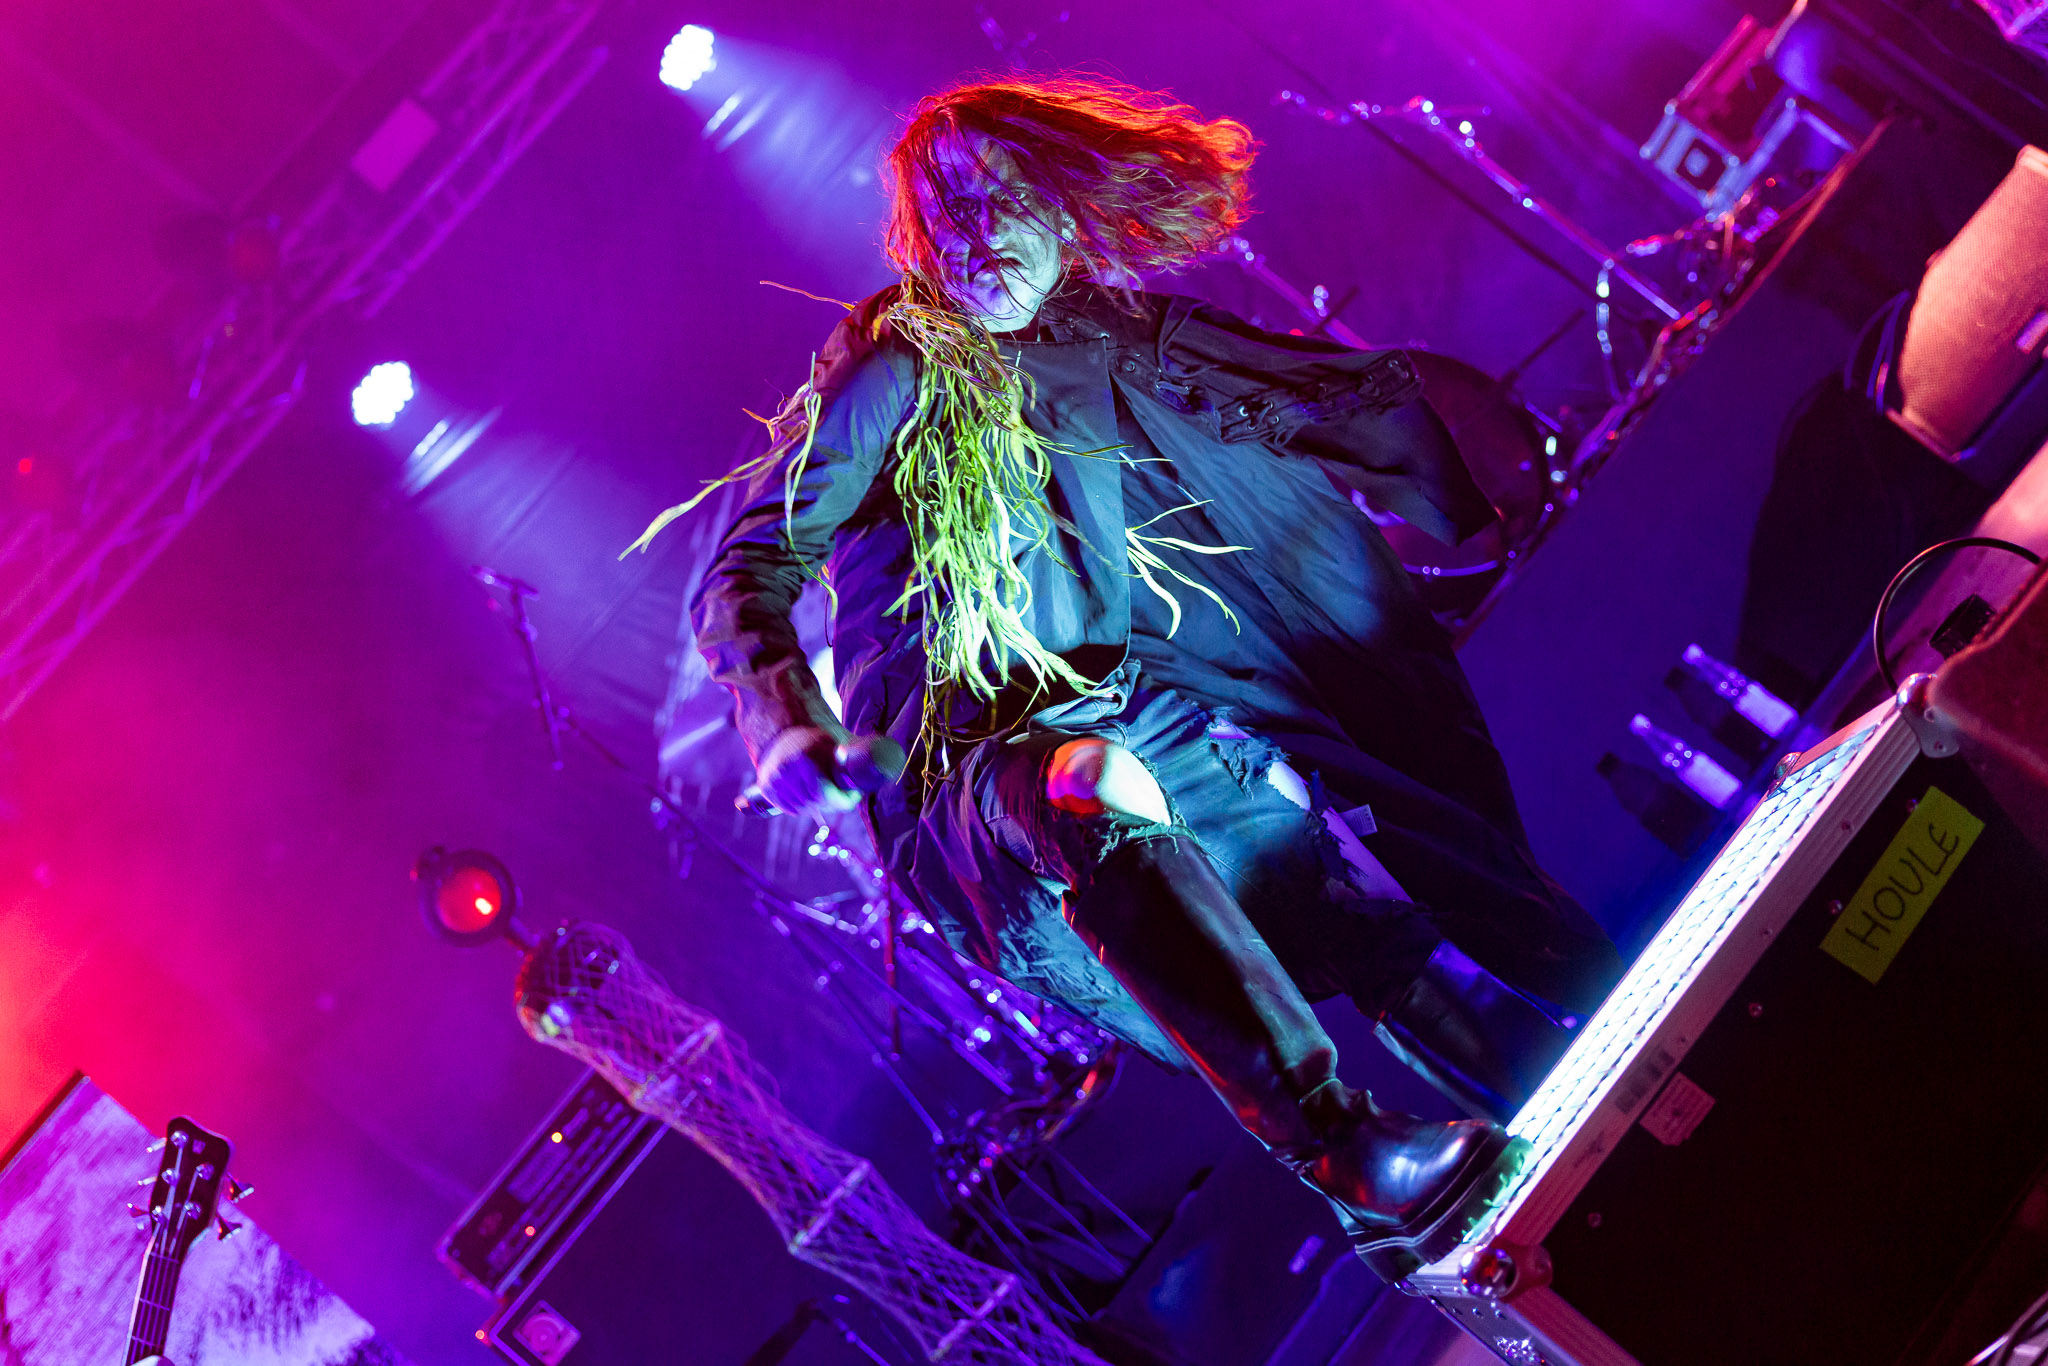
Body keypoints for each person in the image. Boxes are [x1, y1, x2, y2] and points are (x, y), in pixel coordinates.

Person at [650, 75, 1623, 1273]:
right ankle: (1340, 1152)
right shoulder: (902, 365)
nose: (974, 236)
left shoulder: (1101, 336)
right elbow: (748, 561)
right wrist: (784, 726)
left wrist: (1451, 482)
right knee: (1092, 782)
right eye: (943, 214)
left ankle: (1587, 1090)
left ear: (1060, 210)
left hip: (1139, 708)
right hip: (973, 761)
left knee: (1335, 838)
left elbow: (1281, 389)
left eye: (998, 201)